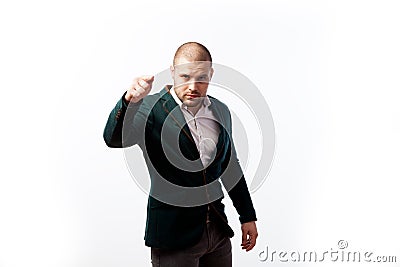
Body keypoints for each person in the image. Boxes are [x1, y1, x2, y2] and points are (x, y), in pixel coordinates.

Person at [103, 42, 258, 267]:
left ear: (211, 74)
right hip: (173, 238)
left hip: (217, 233)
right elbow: (114, 139)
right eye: (185, 76)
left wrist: (247, 216)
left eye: (201, 77)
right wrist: (129, 102)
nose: (193, 86)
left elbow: (230, 167)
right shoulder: (150, 109)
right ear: (173, 73)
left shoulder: (221, 110)